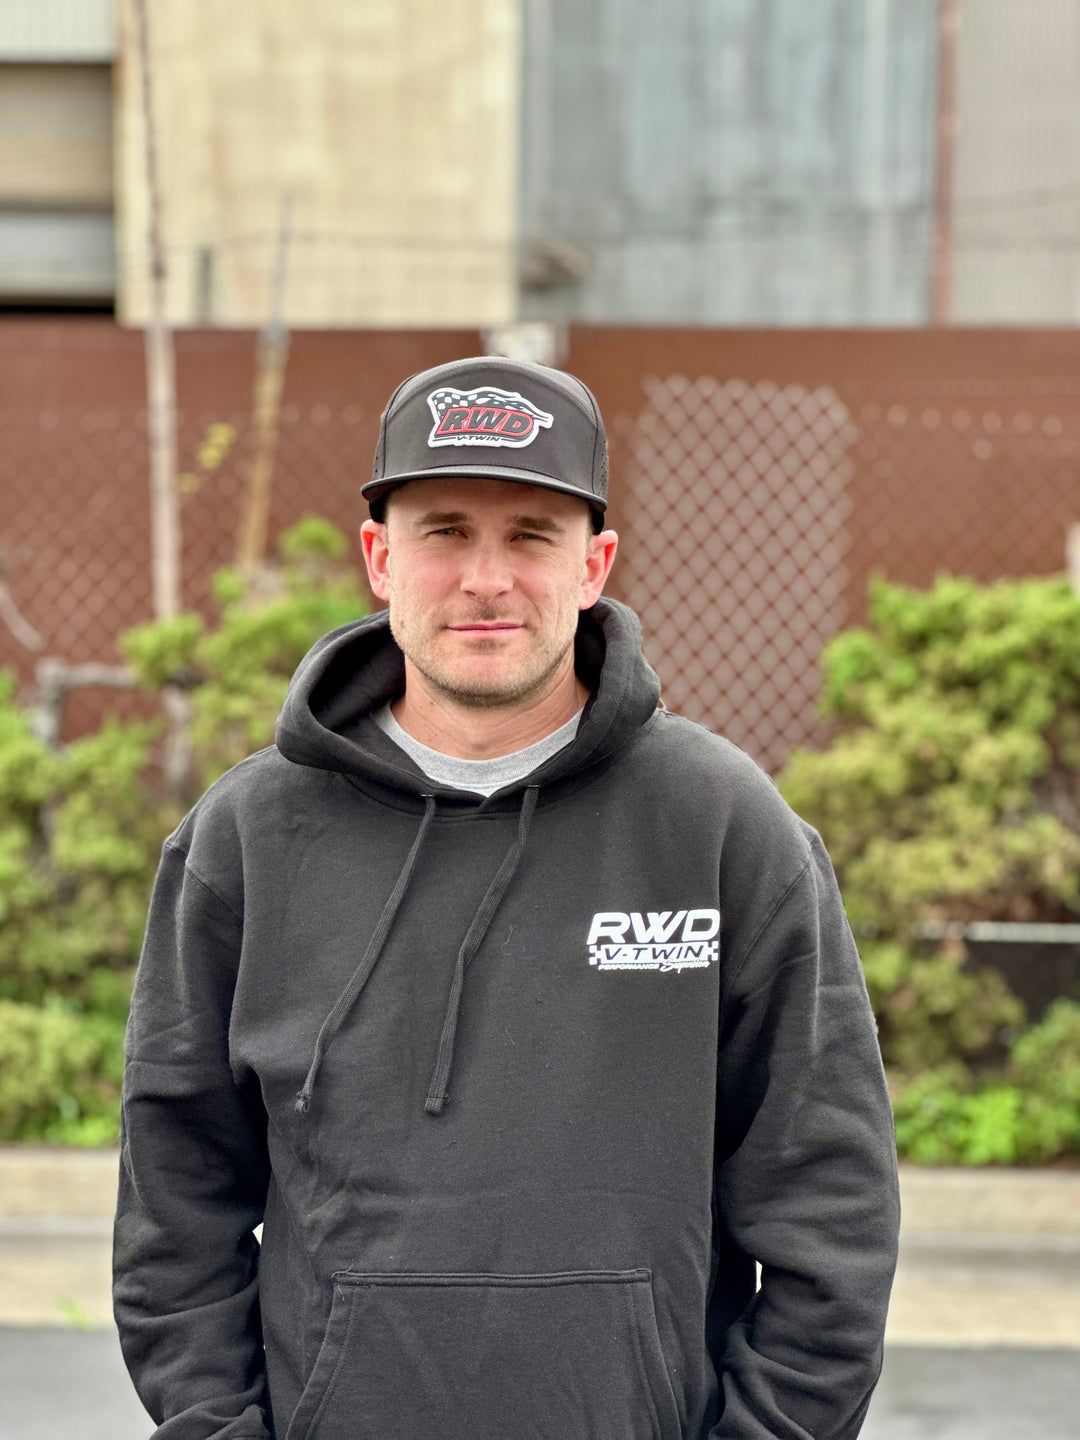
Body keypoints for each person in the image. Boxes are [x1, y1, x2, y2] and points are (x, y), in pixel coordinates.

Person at [114, 355, 900, 1440]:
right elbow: (175, 1209)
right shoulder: (246, 839)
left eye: (532, 535)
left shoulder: (721, 827)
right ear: (381, 558)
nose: (487, 578)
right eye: (445, 532)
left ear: (593, 566)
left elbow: (831, 1204)